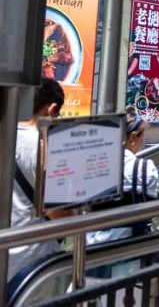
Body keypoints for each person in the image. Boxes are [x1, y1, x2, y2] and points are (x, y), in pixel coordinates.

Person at [8, 79, 72, 298]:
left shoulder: (4, 135)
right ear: (51, 108)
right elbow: (60, 213)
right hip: (33, 262)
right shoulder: (46, 146)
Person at [87, 111, 159, 276]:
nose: (142, 141)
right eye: (142, 136)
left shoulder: (93, 164)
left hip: (93, 246)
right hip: (129, 247)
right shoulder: (144, 168)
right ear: (132, 137)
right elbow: (150, 207)